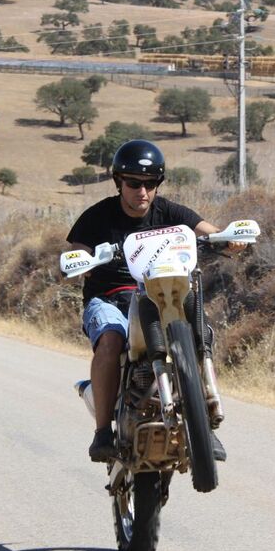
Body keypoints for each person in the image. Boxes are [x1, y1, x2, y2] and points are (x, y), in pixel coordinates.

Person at [66, 140, 245, 462]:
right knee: (110, 339)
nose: (143, 191)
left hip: (160, 294)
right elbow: (75, 251)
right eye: (134, 183)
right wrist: (83, 259)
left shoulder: (171, 212)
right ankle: (103, 431)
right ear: (119, 181)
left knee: (199, 332)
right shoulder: (97, 216)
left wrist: (227, 241)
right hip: (110, 298)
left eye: (150, 184)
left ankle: (204, 425)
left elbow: (208, 231)